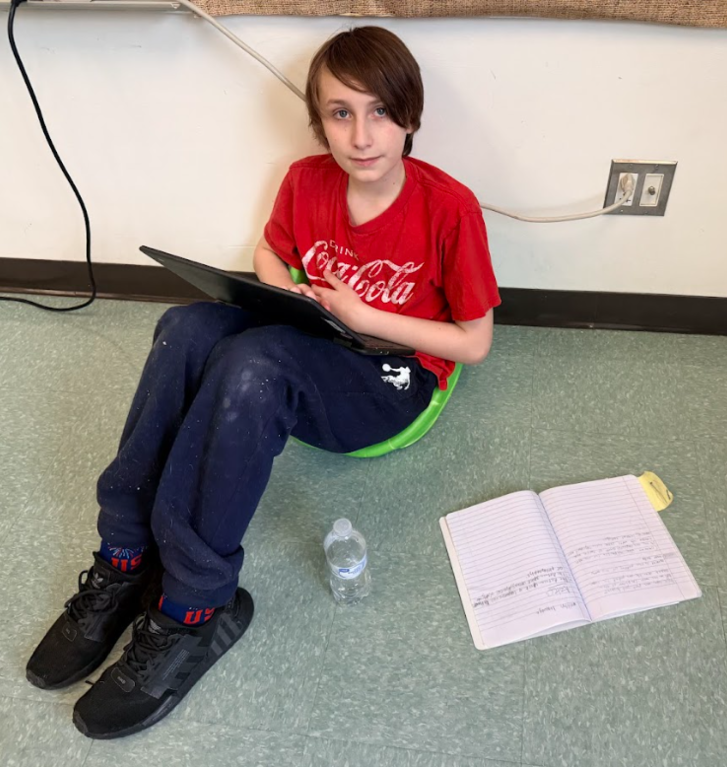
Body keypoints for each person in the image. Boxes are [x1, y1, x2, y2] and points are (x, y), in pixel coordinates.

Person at [25, 25, 500, 740]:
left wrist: (364, 317)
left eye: (380, 111)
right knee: (187, 328)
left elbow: (474, 341)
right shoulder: (307, 180)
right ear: (319, 120)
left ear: (410, 114)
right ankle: (125, 555)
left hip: (393, 380)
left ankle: (193, 604)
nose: (361, 135)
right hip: (316, 339)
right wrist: (289, 294)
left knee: (254, 366)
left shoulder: (449, 206)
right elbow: (271, 254)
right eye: (340, 113)